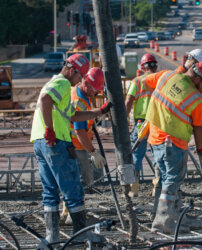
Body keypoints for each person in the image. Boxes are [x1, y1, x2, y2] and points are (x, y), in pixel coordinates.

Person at [30, 54, 112, 245]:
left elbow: (73, 116)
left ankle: (52, 237)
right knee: (73, 190)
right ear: (71, 70)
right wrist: (50, 129)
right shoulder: (63, 83)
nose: (79, 80)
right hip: (56, 142)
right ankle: (80, 235)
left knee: (50, 192)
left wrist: (99, 112)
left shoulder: (56, 84)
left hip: (41, 143)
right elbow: (44, 100)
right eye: (79, 76)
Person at [143, 61, 202, 234]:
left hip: (155, 139)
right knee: (172, 180)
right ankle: (164, 220)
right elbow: (199, 127)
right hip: (173, 143)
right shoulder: (195, 98)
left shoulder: (167, 75)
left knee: (164, 179)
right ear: (198, 79)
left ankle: (171, 215)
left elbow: (146, 82)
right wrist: (199, 148)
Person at [61, 67, 107, 225]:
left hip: (70, 144)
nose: (97, 93)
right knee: (80, 182)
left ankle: (67, 212)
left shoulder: (76, 91)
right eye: (96, 90)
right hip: (77, 146)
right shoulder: (80, 101)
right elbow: (79, 131)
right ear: (86, 83)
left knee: (72, 181)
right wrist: (93, 152)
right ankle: (75, 216)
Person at [125, 53, 158, 197]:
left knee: (137, 155)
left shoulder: (137, 81)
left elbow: (128, 101)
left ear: (142, 67)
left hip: (141, 122)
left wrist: (124, 121)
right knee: (158, 154)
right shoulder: (160, 80)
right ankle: (158, 187)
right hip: (157, 123)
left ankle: (134, 188)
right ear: (155, 66)